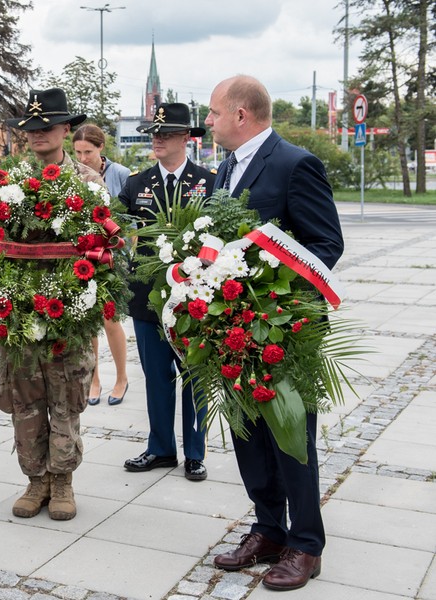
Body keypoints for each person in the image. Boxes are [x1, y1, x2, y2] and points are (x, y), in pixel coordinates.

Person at [204, 75, 344, 591]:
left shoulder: (294, 163)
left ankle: (306, 544)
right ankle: (267, 528)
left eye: (215, 112)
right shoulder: (225, 168)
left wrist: (272, 291)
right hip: (232, 329)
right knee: (249, 436)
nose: (209, 121)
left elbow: (326, 243)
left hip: (284, 330)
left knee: (291, 438)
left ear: (241, 114)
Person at [0, 88, 103, 521]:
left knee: (66, 391)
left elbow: (105, 245)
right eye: (32, 128)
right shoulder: (9, 181)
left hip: (68, 309)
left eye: (48, 126)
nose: (40, 134)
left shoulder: (87, 181)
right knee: (23, 392)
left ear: (65, 129)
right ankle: (35, 478)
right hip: (20, 310)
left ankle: (62, 480)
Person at [118, 102, 213, 482]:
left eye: (166, 133)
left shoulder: (208, 181)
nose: (156, 139)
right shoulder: (137, 184)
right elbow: (113, 224)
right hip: (146, 299)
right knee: (157, 376)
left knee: (193, 376)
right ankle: (160, 448)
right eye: (154, 133)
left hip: (193, 299)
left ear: (186, 138)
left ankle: (194, 452)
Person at [72, 124, 130, 406]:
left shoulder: (119, 175)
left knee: (110, 319)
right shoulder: (73, 173)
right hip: (82, 256)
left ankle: (121, 378)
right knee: (88, 321)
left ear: (101, 149)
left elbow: (128, 218)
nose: (83, 158)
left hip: (112, 256)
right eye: (78, 152)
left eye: (88, 152)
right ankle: (94, 378)